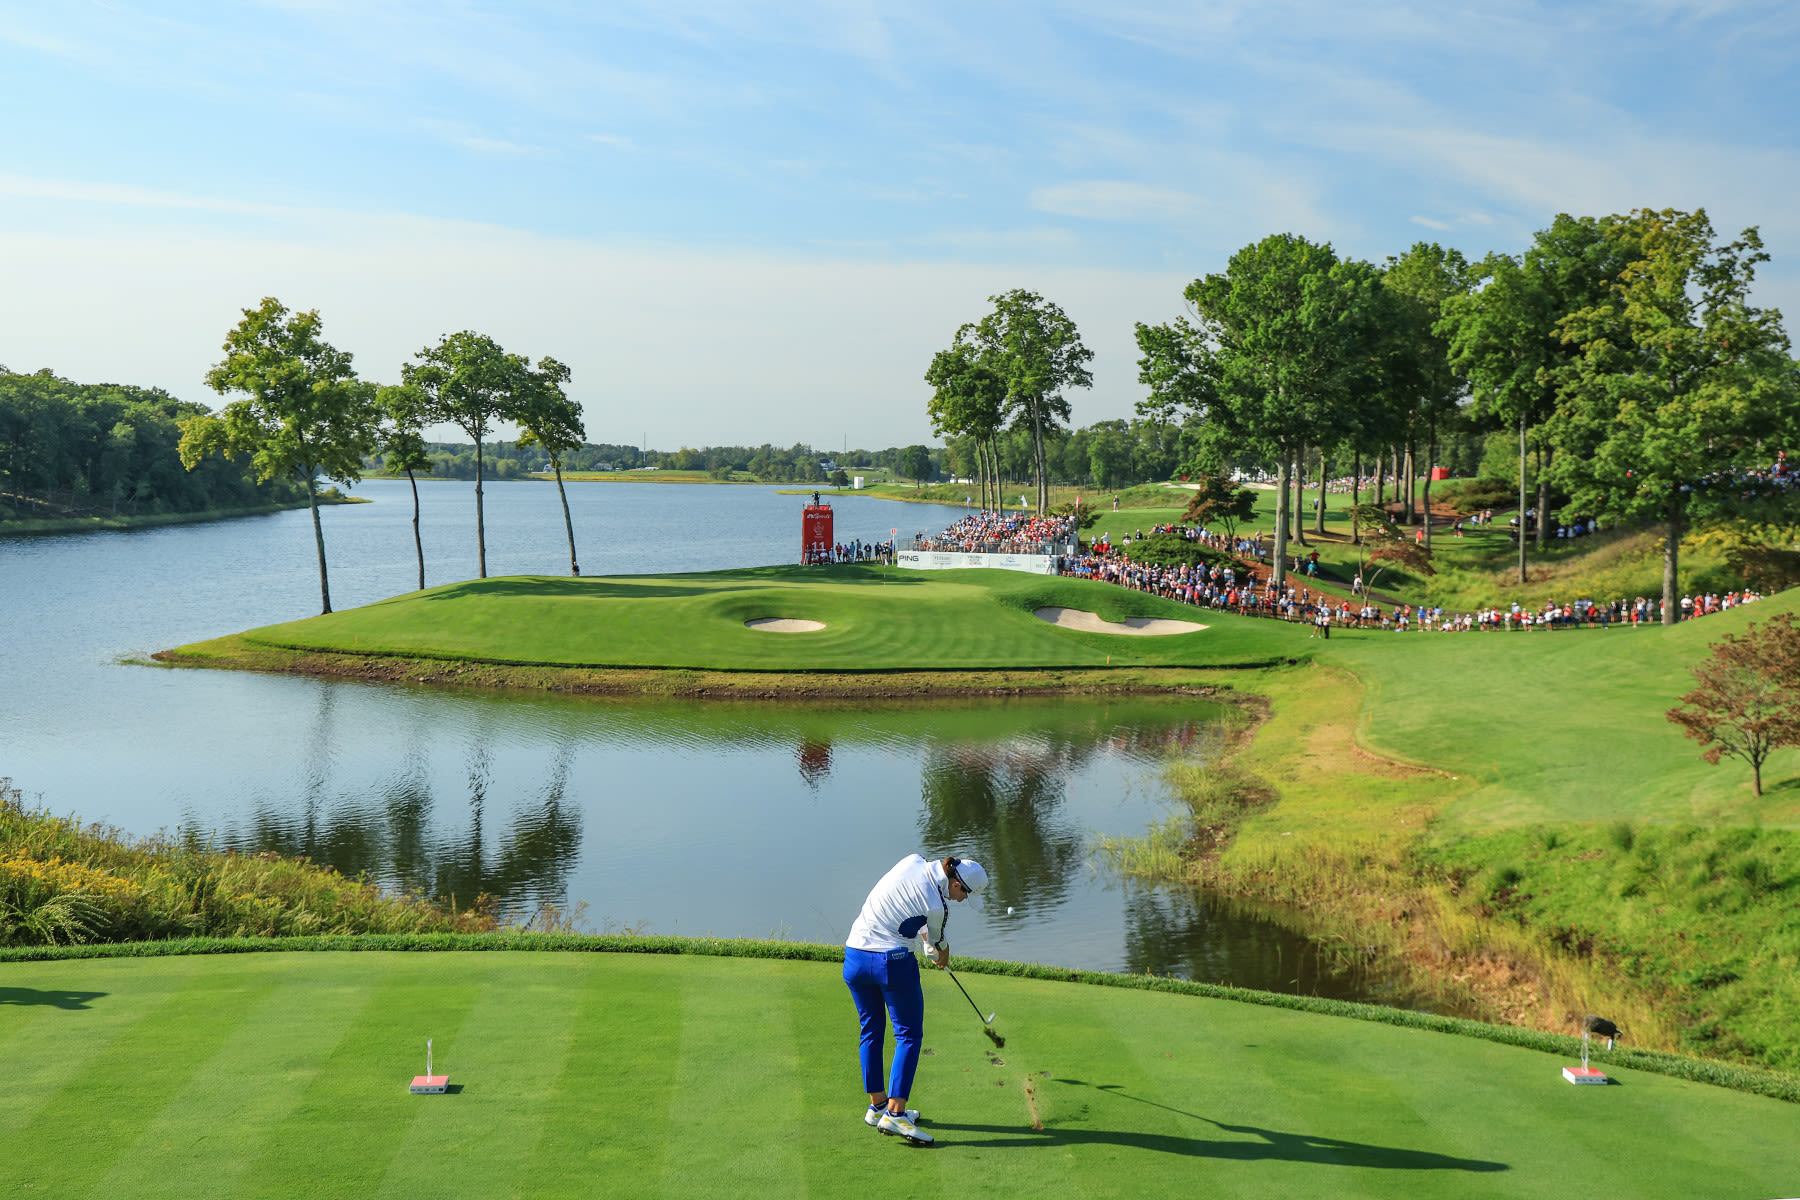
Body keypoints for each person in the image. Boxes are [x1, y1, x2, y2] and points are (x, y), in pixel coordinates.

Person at [843, 853, 988, 1146]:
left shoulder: (913, 860)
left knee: (871, 1029)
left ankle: (878, 1106)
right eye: (964, 896)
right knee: (908, 1035)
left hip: (855, 956)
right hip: (890, 963)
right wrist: (940, 953)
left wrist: (923, 939)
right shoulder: (938, 908)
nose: (960, 901)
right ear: (956, 884)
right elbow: (938, 949)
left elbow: (904, 903)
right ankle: (896, 1114)